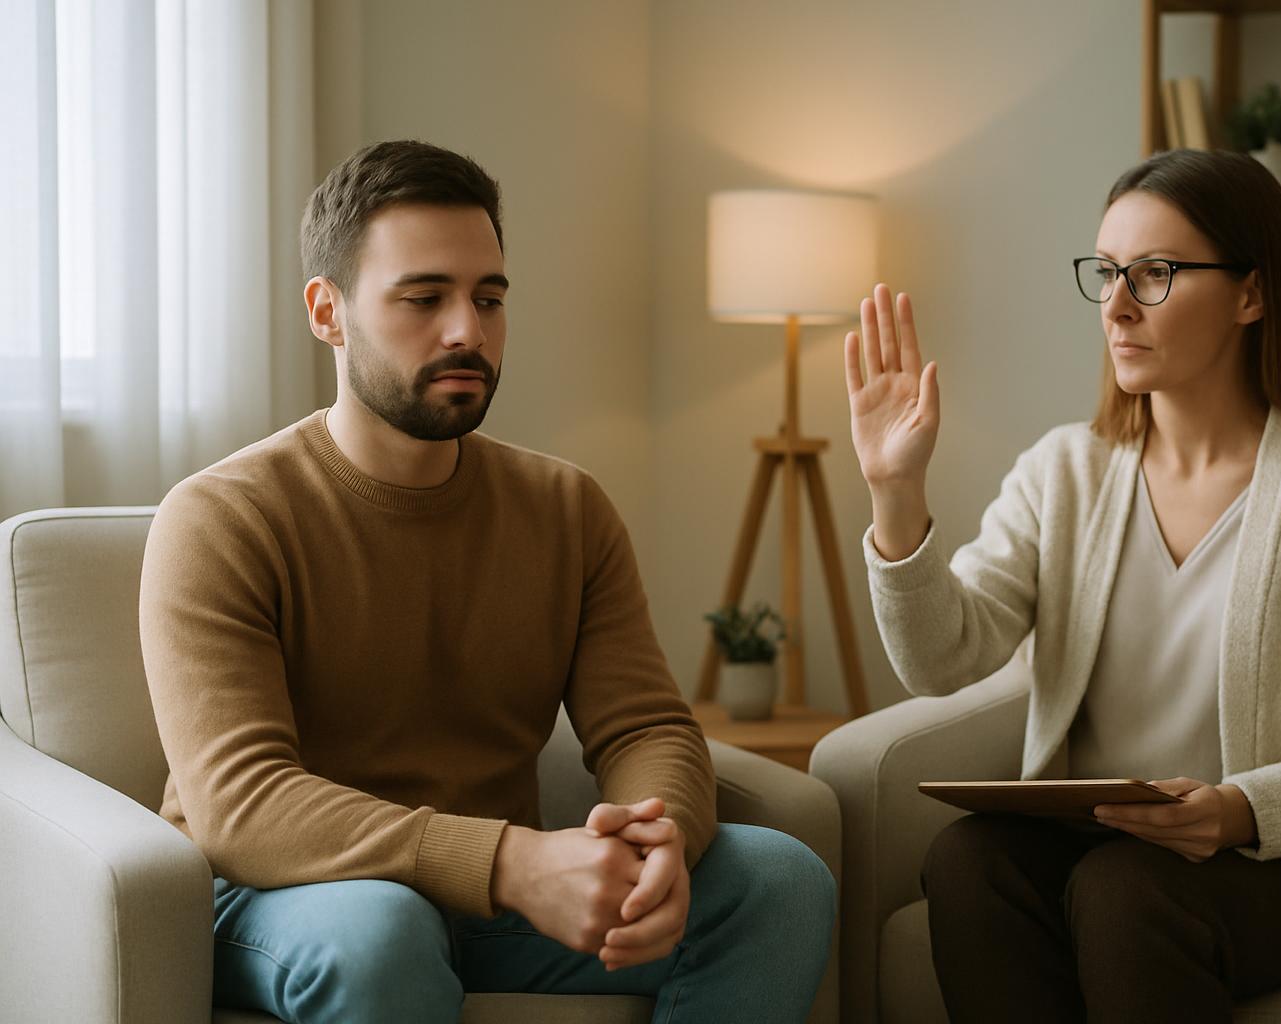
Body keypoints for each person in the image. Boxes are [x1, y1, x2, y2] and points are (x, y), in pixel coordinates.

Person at [140, 139, 835, 1024]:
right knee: (382, 928)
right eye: (424, 298)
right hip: (285, 896)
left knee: (778, 879)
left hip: (496, 899)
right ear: (328, 312)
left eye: (489, 298)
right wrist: (510, 861)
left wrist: (657, 834)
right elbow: (242, 802)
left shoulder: (565, 508)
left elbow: (647, 724)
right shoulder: (220, 517)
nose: (467, 329)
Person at [844, 148, 1281, 1022]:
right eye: (1107, 272)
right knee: (968, 860)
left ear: (1251, 294)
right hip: (1103, 846)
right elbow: (942, 659)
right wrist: (896, 494)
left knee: (1128, 891)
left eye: (1154, 274)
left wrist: (1236, 811)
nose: (1116, 307)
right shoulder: (1064, 470)